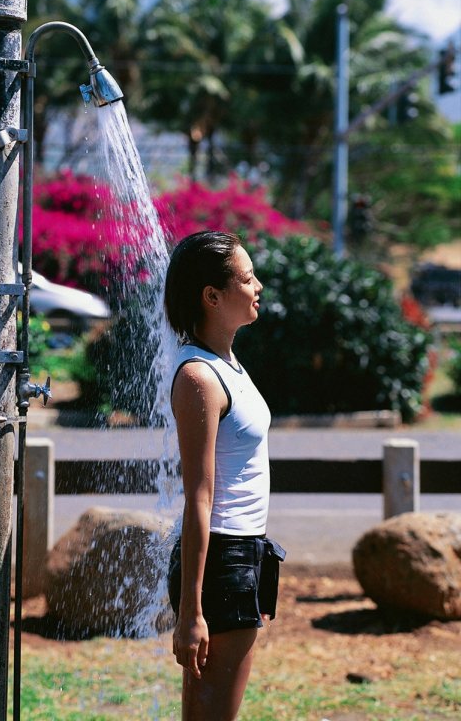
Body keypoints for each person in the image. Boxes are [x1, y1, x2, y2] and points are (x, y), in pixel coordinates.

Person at [164, 230, 285, 721]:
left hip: (242, 551)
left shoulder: (227, 364)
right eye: (247, 278)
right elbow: (198, 497)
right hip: (222, 560)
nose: (258, 286)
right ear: (212, 296)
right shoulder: (199, 377)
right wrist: (191, 612)